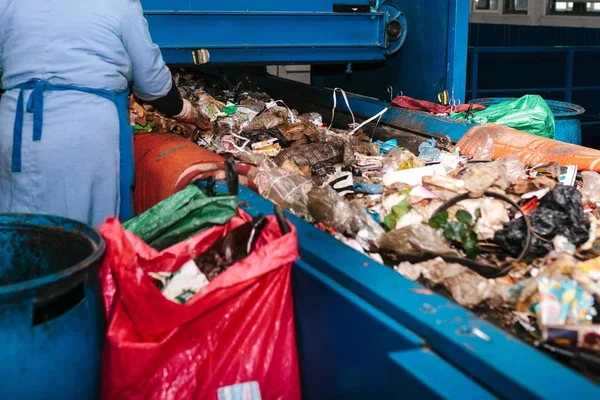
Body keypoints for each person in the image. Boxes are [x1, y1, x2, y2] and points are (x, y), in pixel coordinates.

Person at [0, 0, 207, 226]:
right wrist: (186, 111)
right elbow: (152, 83)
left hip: (17, 125)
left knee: (20, 228)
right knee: (84, 231)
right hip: (85, 129)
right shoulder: (118, 4)